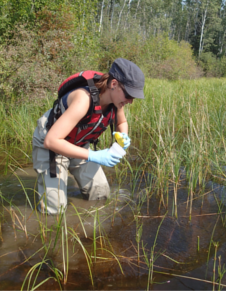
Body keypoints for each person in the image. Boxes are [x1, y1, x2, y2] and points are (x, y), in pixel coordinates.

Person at [32, 58, 145, 215]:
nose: (131, 101)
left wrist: (122, 136)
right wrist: (94, 155)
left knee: (100, 194)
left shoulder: (116, 102)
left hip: (78, 144)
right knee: (54, 211)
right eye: (129, 95)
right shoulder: (83, 100)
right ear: (114, 85)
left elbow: (121, 122)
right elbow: (51, 141)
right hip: (52, 146)